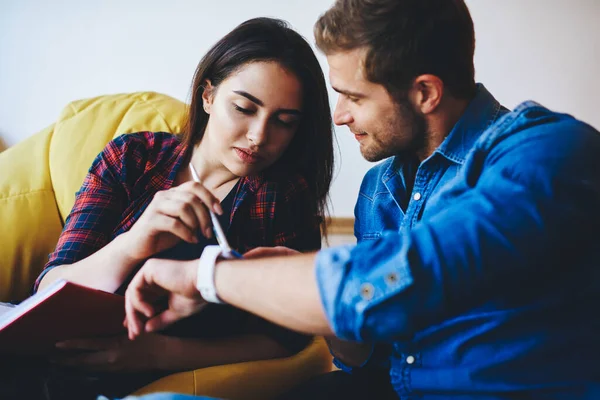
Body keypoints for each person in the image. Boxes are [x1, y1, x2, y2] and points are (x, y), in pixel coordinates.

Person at [121, 1, 600, 400]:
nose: (339, 115)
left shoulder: (548, 155)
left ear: (425, 93)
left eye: (353, 96)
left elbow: (412, 273)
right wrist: (295, 280)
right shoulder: (380, 188)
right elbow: (364, 359)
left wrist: (206, 275)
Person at [3, 17, 335, 400]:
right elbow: (47, 287)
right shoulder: (133, 158)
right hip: (41, 363)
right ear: (207, 95)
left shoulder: (279, 194)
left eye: (283, 122)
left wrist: (159, 355)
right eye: (244, 108)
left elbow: (287, 335)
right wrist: (134, 242)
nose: (259, 136)